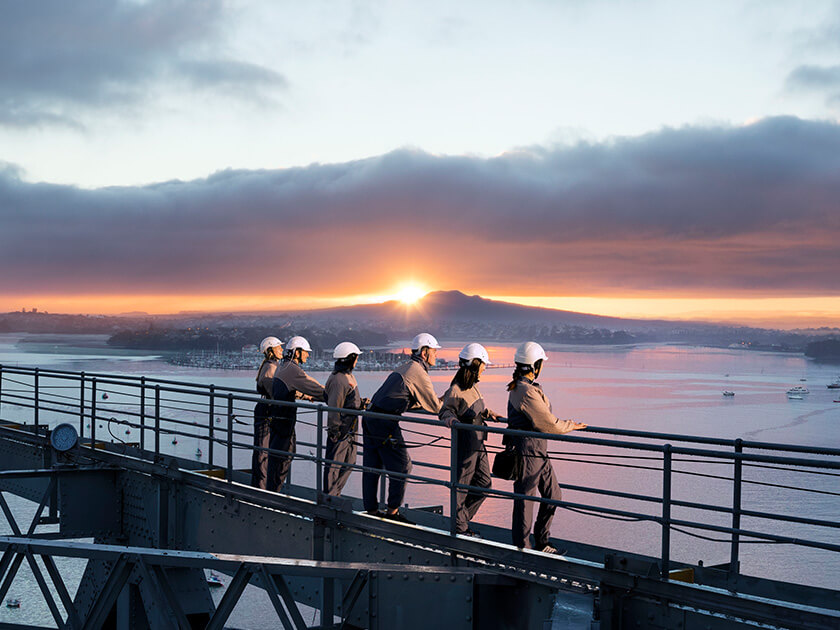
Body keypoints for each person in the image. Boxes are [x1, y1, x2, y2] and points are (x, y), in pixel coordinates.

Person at [505, 341, 586, 552]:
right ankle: (522, 546)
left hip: (538, 450)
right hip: (528, 451)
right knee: (525, 498)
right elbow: (548, 423)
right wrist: (571, 426)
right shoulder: (525, 391)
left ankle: (541, 541)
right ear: (535, 365)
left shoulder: (523, 387)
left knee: (553, 494)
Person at [362, 332, 443, 522]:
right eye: (434, 351)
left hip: (371, 416)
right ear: (424, 353)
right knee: (402, 466)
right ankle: (393, 513)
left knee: (373, 465)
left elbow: (404, 396)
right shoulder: (417, 371)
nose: (436, 355)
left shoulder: (405, 367)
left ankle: (372, 510)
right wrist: (448, 399)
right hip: (385, 421)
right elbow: (435, 407)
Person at [439, 343, 499, 536]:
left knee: (484, 484)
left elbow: (473, 408)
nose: (485, 367)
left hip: (479, 442)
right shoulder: (456, 389)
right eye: (483, 364)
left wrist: (488, 412)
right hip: (467, 443)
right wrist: (450, 419)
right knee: (462, 485)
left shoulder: (473, 386)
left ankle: (461, 521)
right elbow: (446, 410)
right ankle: (460, 527)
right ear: (475, 364)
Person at [269, 335, 326, 491]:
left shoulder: (283, 366)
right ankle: (273, 496)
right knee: (283, 458)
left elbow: (291, 388)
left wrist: (304, 395)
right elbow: (311, 385)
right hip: (284, 422)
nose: (308, 355)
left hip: (279, 420)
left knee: (279, 458)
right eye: (306, 352)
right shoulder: (293, 370)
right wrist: (331, 395)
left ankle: (272, 492)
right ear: (297, 352)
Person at [323, 341, 368, 496]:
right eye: (356, 358)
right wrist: (335, 431)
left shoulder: (347, 377)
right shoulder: (339, 380)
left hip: (350, 428)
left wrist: (361, 403)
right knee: (334, 466)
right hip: (341, 430)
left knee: (350, 462)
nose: (357, 361)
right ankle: (330, 498)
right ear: (350, 358)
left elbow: (350, 401)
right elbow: (334, 408)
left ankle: (335, 494)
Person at [251, 336, 282, 489]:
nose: (282, 350)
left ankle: (260, 483)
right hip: (267, 411)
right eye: (279, 347)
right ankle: (261, 486)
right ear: (271, 350)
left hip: (264, 409)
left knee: (261, 448)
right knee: (263, 450)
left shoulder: (269, 365)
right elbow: (275, 392)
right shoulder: (271, 368)